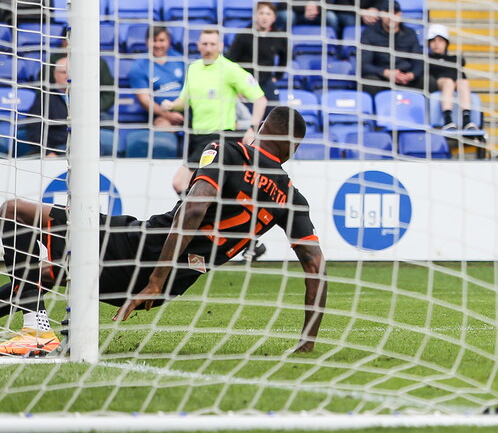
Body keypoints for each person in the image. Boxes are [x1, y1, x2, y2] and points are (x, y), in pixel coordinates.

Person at [0, 107, 327, 356]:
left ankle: (35, 330)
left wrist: (156, 276)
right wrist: (307, 342)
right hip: (163, 288)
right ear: (293, 148)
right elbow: (316, 267)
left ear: (260, 129)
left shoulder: (230, 152)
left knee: (14, 212)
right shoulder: (290, 197)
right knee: (44, 274)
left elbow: (193, 209)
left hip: (142, 248)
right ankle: (34, 322)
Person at [162, 29, 268, 194]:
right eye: (205, 44)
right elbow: (185, 100)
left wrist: (253, 128)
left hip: (218, 137)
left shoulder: (230, 69)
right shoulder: (194, 68)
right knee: (200, 189)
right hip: (195, 138)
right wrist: (171, 105)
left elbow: (260, 99)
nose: (208, 48)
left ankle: (200, 218)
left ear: (220, 46)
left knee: (180, 183)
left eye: (213, 44)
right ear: (198, 46)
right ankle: (210, 217)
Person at [225, 2, 288, 103]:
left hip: (266, 81)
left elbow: (284, 58)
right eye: (261, 13)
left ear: (274, 18)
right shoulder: (244, 35)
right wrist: (237, 86)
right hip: (245, 82)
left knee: (274, 113)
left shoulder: (279, 36)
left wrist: (277, 76)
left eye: (268, 14)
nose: (264, 17)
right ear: (255, 16)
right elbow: (230, 60)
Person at [360, 2, 424, 96]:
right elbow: (364, 65)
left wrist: (411, 75)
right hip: (381, 77)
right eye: (387, 13)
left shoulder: (410, 33)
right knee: (370, 82)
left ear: (400, 14)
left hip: (405, 77)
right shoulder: (369, 33)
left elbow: (419, 61)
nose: (391, 17)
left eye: (395, 13)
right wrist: (386, 73)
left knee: (428, 82)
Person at [129, 26, 187, 127]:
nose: (158, 45)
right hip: (161, 114)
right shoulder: (139, 67)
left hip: (187, 109)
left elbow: (190, 87)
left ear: (168, 41)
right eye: (154, 41)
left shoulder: (179, 59)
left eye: (161, 40)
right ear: (147, 42)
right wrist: (168, 115)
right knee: (163, 127)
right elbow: (144, 100)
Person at [426, 24, 477, 131]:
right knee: (448, 82)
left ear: (446, 43)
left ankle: (467, 120)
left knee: (463, 82)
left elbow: (461, 75)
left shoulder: (454, 59)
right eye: (433, 41)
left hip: (456, 83)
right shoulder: (427, 59)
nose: (436, 44)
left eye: (440, 40)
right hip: (441, 83)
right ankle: (448, 120)